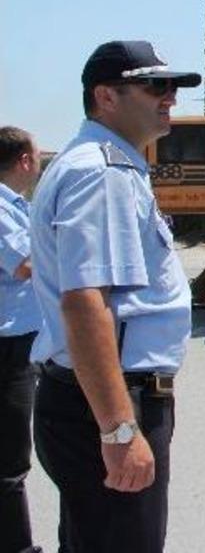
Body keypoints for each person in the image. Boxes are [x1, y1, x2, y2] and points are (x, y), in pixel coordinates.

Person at [30, 40, 201, 553]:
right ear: (105, 96)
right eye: (155, 86)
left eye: (172, 86)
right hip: (109, 404)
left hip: (95, 401)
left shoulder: (100, 164)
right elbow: (86, 302)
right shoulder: (103, 173)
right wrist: (120, 431)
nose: (170, 97)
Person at [0, 126, 43, 553]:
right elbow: (26, 265)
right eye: (38, 156)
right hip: (8, 348)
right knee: (10, 460)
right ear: (24, 161)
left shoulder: (14, 206)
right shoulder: (1, 209)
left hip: (16, 342)